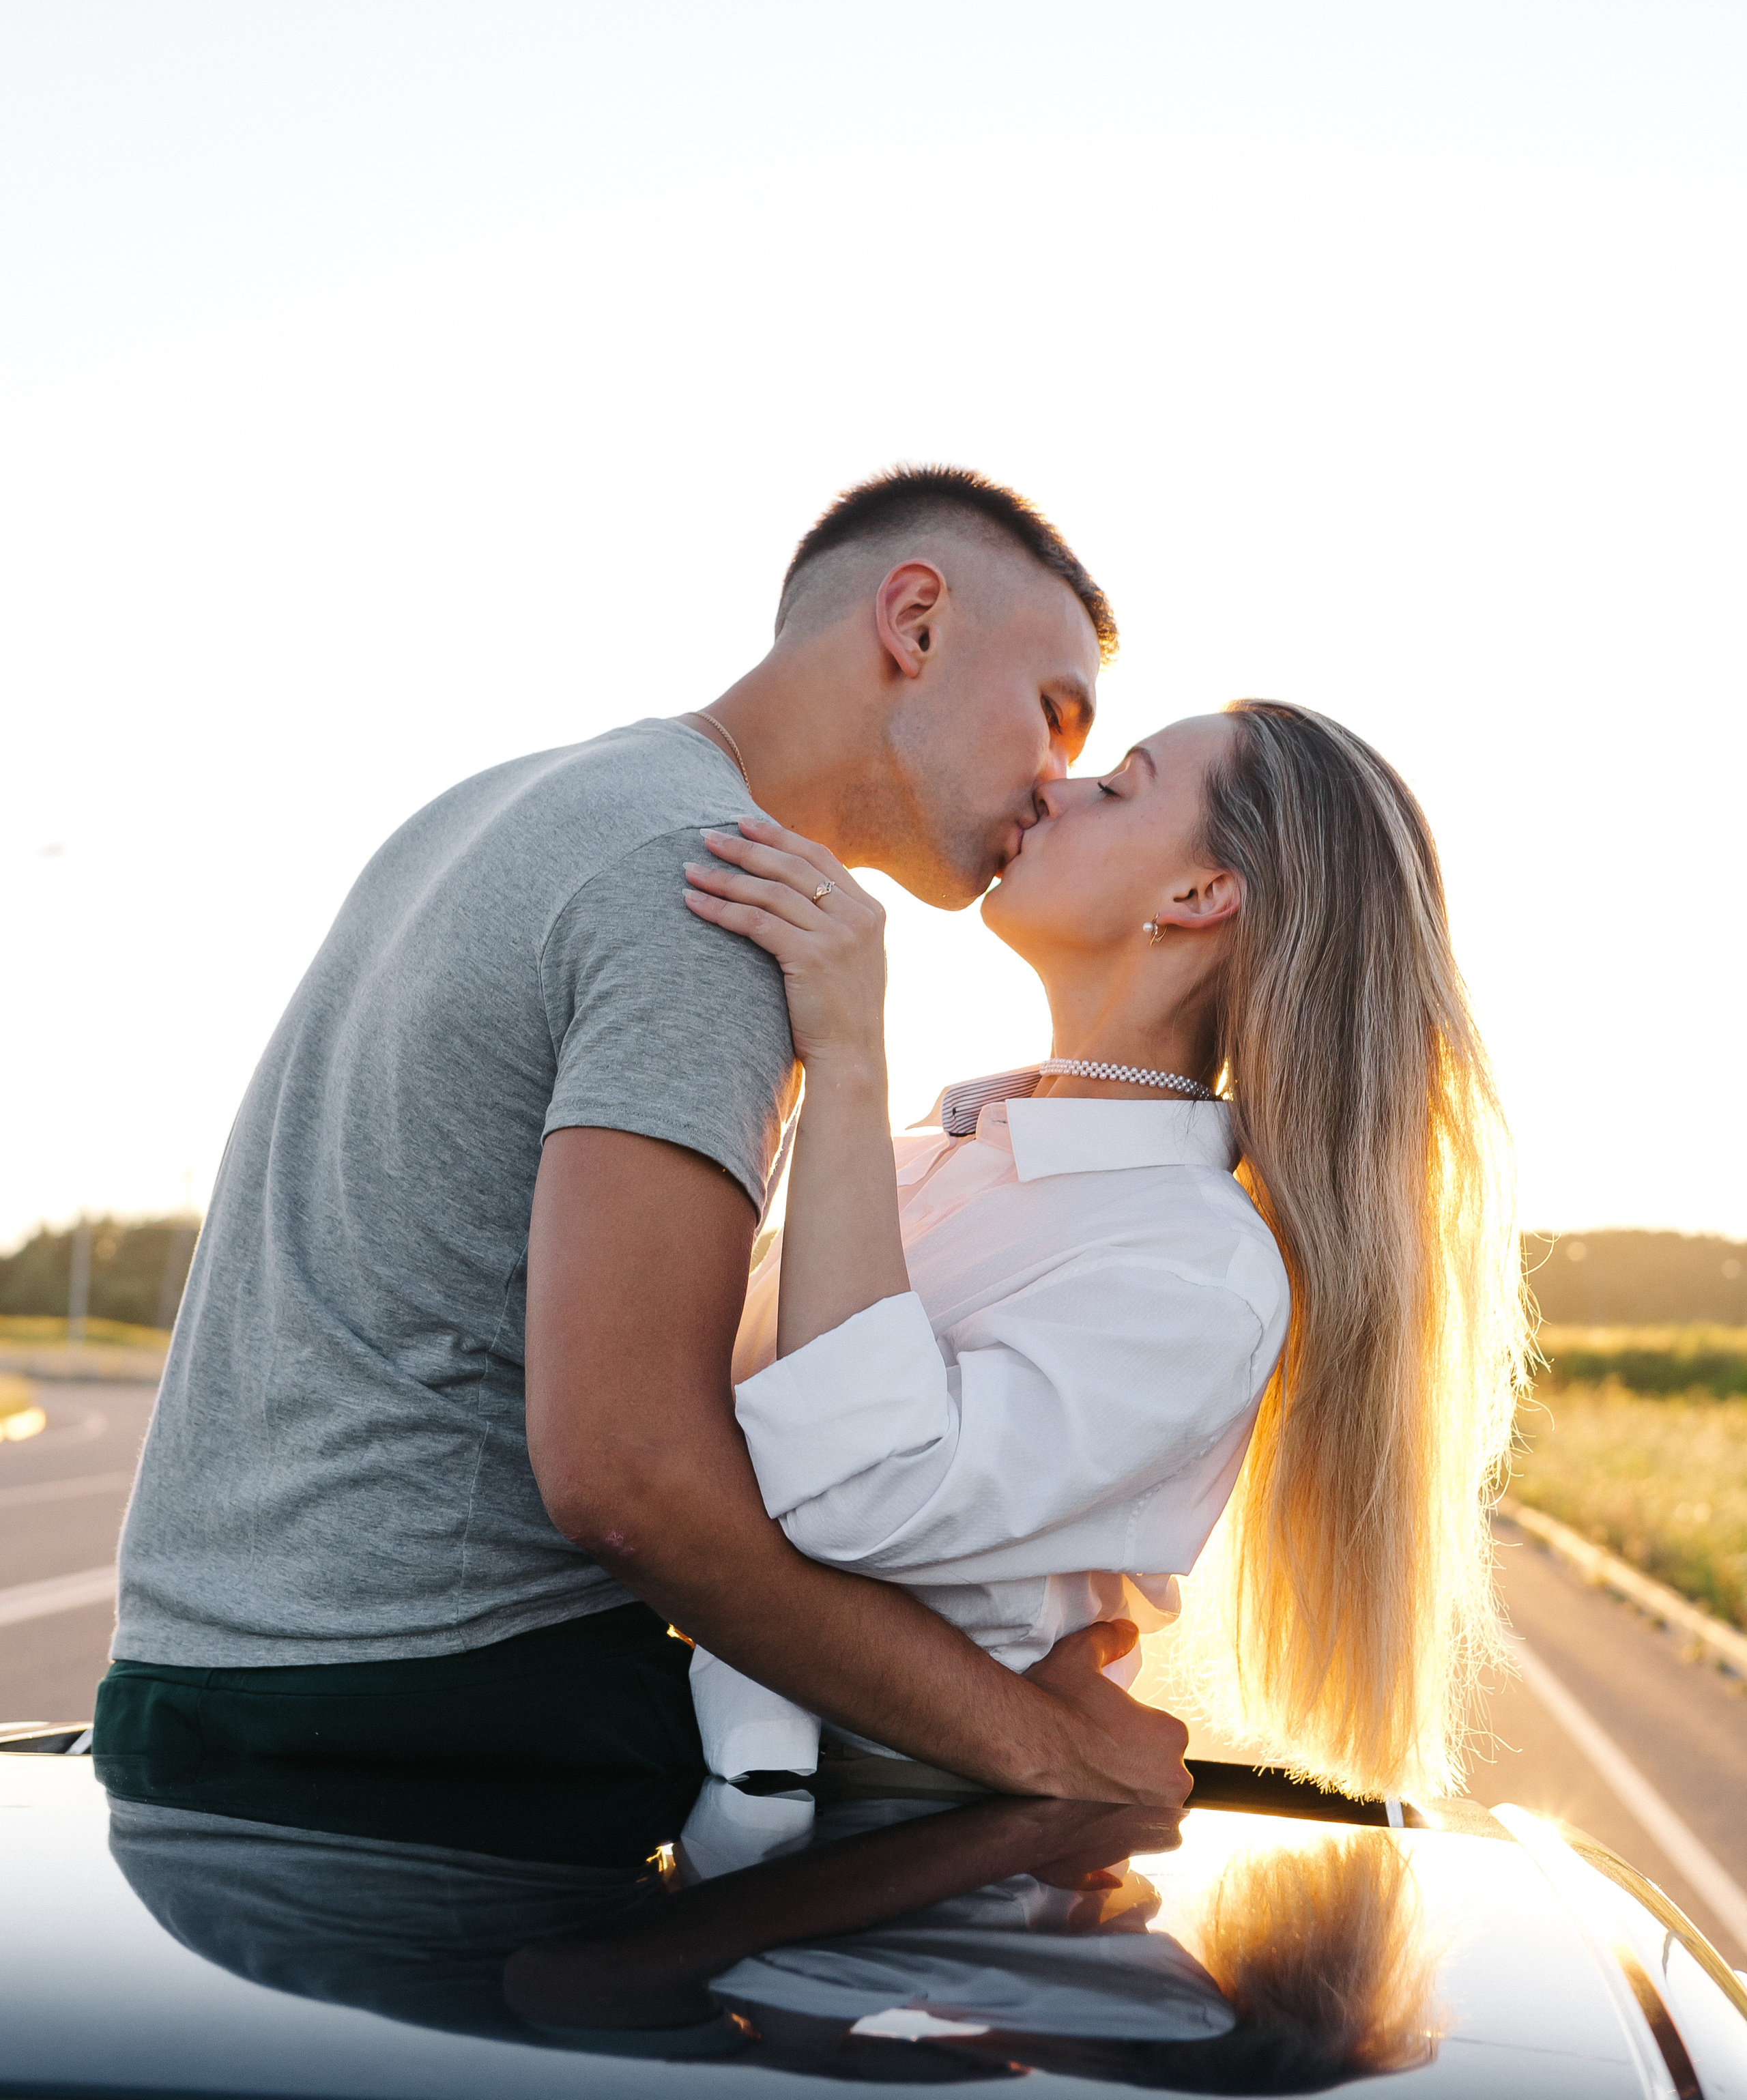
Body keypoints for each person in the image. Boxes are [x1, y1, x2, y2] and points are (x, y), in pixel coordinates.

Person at [97, 465, 1192, 1813]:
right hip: (438, 1716)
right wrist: (1047, 1749)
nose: (1054, 782)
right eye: (1055, 714)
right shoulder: (708, 895)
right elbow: (630, 1481)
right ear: (915, 622)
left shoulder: (503, 805)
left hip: (184, 1688)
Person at [681, 699, 1526, 1803]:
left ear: (1199, 895)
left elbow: (854, 1495)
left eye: (1119, 785)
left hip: (915, 1869)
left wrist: (847, 1052)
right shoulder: (922, 1158)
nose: (1052, 788)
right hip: (710, 1826)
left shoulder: (1200, 1271)